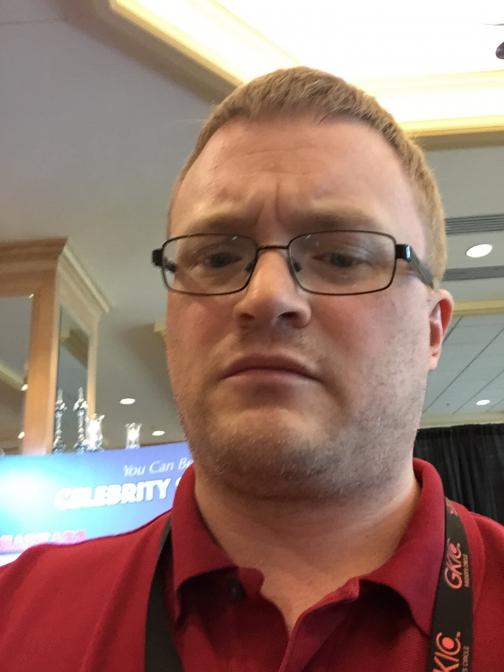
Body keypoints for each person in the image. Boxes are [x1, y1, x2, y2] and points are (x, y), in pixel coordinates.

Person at [1, 67, 503, 671]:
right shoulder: (15, 618)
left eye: (341, 256)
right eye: (217, 258)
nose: (266, 296)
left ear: (431, 330)